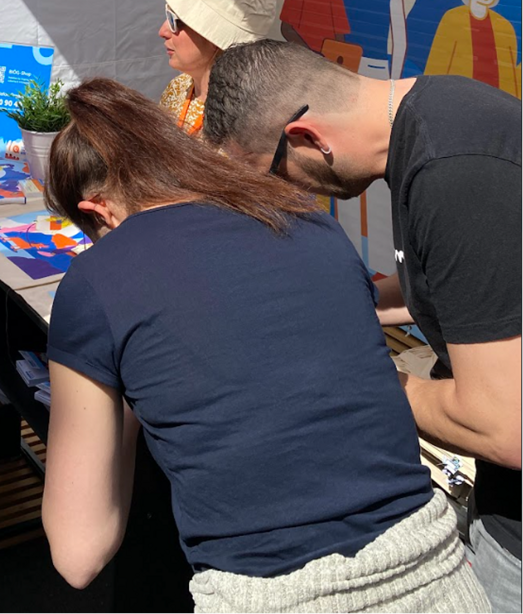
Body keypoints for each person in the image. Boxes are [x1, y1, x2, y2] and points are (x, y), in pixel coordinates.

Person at [42, 78, 487, 611]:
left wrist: (129, 391)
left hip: (269, 594)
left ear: (98, 211)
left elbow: (79, 553)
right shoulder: (306, 221)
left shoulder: (95, 281)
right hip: (438, 571)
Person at [205, 39, 521, 613]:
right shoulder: (430, 121)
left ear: (307, 137)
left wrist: (362, 379)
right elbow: (456, 285)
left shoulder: (454, 172)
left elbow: (504, 426)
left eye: (275, 176)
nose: (288, 195)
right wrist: (337, 305)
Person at [158, 0, 276, 135]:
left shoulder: (248, 117)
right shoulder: (177, 88)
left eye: (175, 20)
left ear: (213, 37)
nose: (163, 31)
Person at [425, 0, 520, 97]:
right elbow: (436, 67)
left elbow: (510, 78)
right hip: (461, 101)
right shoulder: (453, 19)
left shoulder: (504, 27)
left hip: (494, 103)